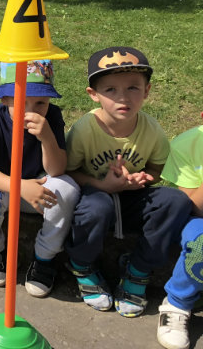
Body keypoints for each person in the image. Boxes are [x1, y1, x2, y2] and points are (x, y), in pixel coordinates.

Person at [64, 47, 192, 317]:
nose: (123, 97)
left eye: (133, 87)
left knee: (175, 200)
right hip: (94, 196)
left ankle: (138, 270)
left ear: (147, 91)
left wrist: (143, 178)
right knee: (97, 207)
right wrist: (103, 185)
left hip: (133, 197)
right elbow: (69, 171)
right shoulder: (84, 129)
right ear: (93, 94)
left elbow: (157, 168)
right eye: (110, 90)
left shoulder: (151, 129)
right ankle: (82, 265)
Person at [0, 61, 80, 297]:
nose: (32, 110)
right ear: (5, 100)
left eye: (41, 103)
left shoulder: (52, 117)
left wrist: (47, 137)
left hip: (38, 190)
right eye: (21, 101)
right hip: (3, 187)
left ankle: (44, 257)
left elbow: (57, 170)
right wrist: (19, 186)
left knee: (67, 189)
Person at [156, 124, 203, 349]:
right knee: (200, 242)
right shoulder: (188, 144)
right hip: (200, 217)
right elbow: (193, 207)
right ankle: (177, 303)